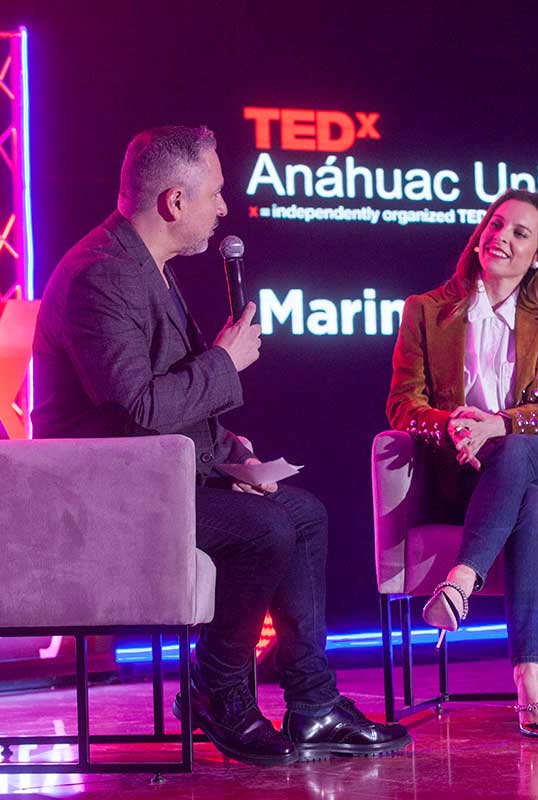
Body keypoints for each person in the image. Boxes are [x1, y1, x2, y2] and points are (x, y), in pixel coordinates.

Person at [32, 125, 409, 765]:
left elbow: (154, 396)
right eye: (215, 194)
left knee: (303, 514)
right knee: (262, 529)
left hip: (154, 478)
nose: (224, 209)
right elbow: (140, 410)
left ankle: (313, 703)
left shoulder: (144, 265)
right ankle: (218, 691)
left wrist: (227, 449)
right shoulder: (101, 276)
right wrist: (223, 363)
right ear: (175, 202)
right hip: (102, 495)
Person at [385, 189, 538, 742]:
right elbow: (402, 403)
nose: (500, 236)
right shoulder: (427, 311)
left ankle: (462, 579)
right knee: (530, 504)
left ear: (537, 256)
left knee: (519, 453)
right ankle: (529, 676)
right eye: (496, 224)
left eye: (519, 233)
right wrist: (453, 424)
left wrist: (497, 424)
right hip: (473, 475)